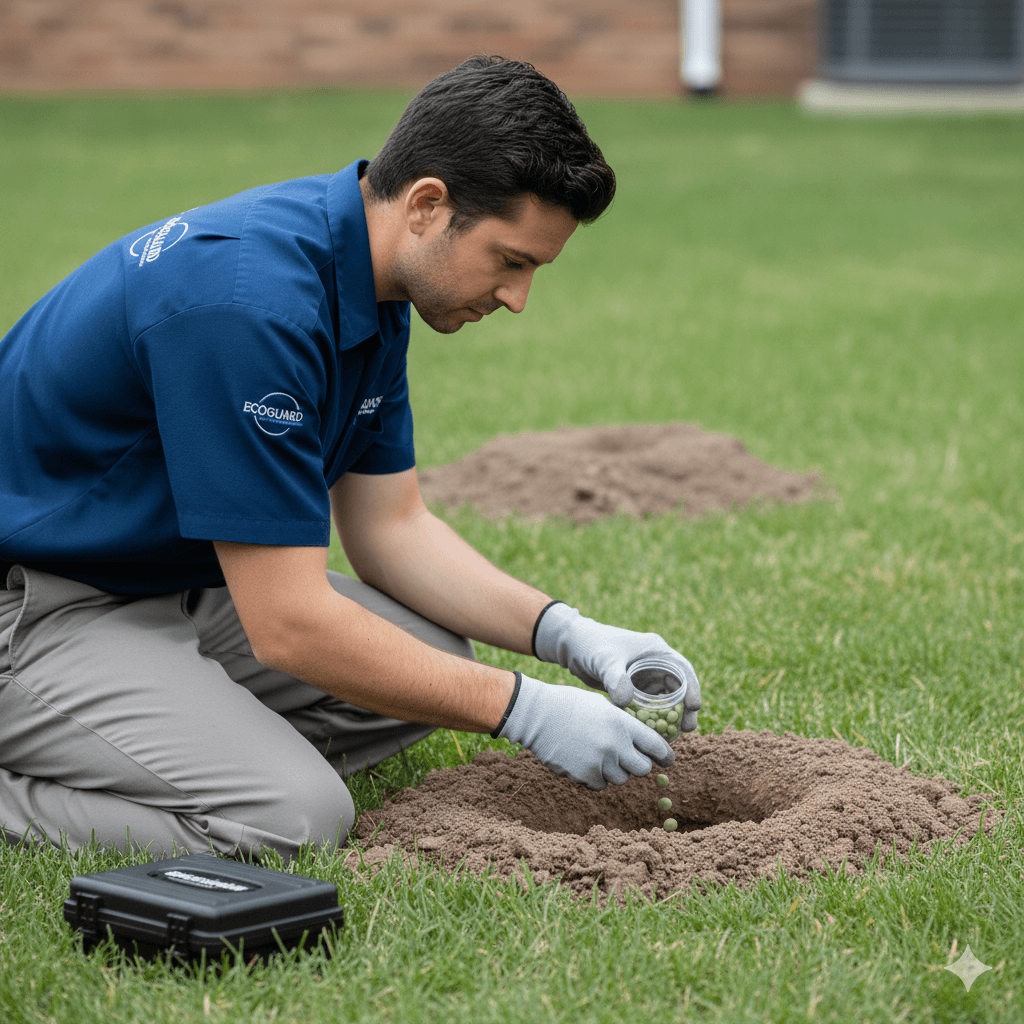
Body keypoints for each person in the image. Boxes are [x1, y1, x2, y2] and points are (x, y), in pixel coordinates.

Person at [0, 56, 701, 860]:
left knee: (435, 664)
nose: (517, 299)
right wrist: (526, 710)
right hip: (34, 609)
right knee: (295, 817)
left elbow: (392, 528)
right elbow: (290, 626)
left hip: (168, 585)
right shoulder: (247, 304)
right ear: (429, 205)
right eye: (512, 261)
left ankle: (172, 730)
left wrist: (570, 637)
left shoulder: (370, 279)